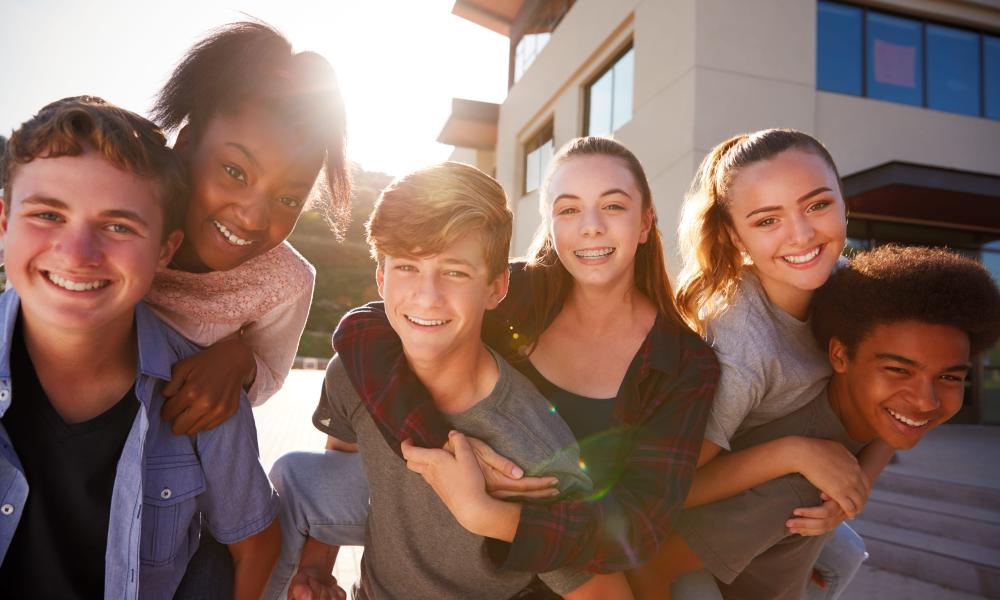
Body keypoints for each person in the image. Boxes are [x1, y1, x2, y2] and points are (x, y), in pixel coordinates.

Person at [324, 137, 719, 589]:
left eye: (613, 206)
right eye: (569, 210)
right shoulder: (518, 295)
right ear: (550, 225)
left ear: (646, 222)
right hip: (460, 561)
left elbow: (638, 524)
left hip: (579, 576)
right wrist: (444, 450)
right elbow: (368, 330)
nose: (590, 227)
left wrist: (491, 513)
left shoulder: (683, 363)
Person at [270, 161, 632, 599]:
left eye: (455, 272)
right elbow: (344, 460)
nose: (427, 295)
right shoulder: (354, 374)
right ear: (381, 277)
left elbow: (608, 594)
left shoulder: (534, 458)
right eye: (407, 267)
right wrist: (316, 568)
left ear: (497, 288)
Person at [0, 96, 279, 599]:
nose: (78, 254)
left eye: (118, 227)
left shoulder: (203, 392)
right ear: (4, 222)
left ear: (165, 250)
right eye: (47, 214)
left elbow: (255, 545)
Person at [628, 129, 889, 599]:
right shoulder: (736, 346)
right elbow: (671, 491)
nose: (802, 234)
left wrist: (852, 490)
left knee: (844, 554)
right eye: (768, 220)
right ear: (734, 234)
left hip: (782, 510)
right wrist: (794, 453)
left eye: (817, 205)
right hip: (681, 528)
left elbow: (898, 411)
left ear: (843, 202)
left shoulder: (859, 292)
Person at [659, 244, 1000, 599]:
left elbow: (893, 428)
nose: (925, 400)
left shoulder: (859, 406)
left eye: (950, 377)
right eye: (899, 370)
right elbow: (659, 564)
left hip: (784, 564)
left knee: (844, 556)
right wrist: (793, 457)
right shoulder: (797, 483)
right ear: (838, 355)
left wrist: (858, 483)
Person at [146, 20, 350, 434]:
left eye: (288, 199)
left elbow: (269, 376)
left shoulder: (285, 282)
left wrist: (239, 361)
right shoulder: (123, 222)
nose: (254, 217)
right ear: (186, 146)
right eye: (235, 172)